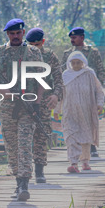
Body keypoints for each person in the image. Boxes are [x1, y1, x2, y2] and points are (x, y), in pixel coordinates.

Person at [0, 19, 43, 201]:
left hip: (28, 105)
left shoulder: (34, 52)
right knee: (11, 145)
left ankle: (24, 183)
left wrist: (38, 103)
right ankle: (18, 182)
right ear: (7, 35)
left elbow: (43, 79)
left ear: (23, 32)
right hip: (8, 105)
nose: (15, 36)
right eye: (11, 34)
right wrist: (4, 92)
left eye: (18, 33)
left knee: (25, 143)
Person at [25, 27, 64, 184]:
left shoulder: (50, 56)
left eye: (37, 44)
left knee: (41, 135)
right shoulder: (22, 55)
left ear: (43, 42)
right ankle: (21, 170)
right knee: (24, 135)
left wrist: (56, 95)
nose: (33, 47)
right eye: (30, 44)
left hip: (45, 101)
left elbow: (58, 79)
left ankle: (39, 170)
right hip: (25, 101)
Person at [62, 27, 105, 158]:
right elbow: (63, 72)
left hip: (88, 93)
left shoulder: (93, 52)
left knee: (89, 121)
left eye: (74, 38)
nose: (72, 40)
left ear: (82, 38)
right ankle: (76, 150)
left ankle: (91, 147)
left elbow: (100, 70)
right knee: (73, 122)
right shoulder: (67, 54)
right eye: (71, 38)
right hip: (73, 93)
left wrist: (98, 89)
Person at [61, 51, 104, 173]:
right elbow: (60, 94)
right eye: (73, 63)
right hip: (69, 111)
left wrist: (99, 103)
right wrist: (57, 109)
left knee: (86, 136)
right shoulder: (65, 75)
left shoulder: (89, 74)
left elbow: (99, 90)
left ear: (83, 62)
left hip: (86, 110)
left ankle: (85, 161)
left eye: (78, 63)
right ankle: (73, 163)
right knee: (71, 136)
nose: (75, 65)